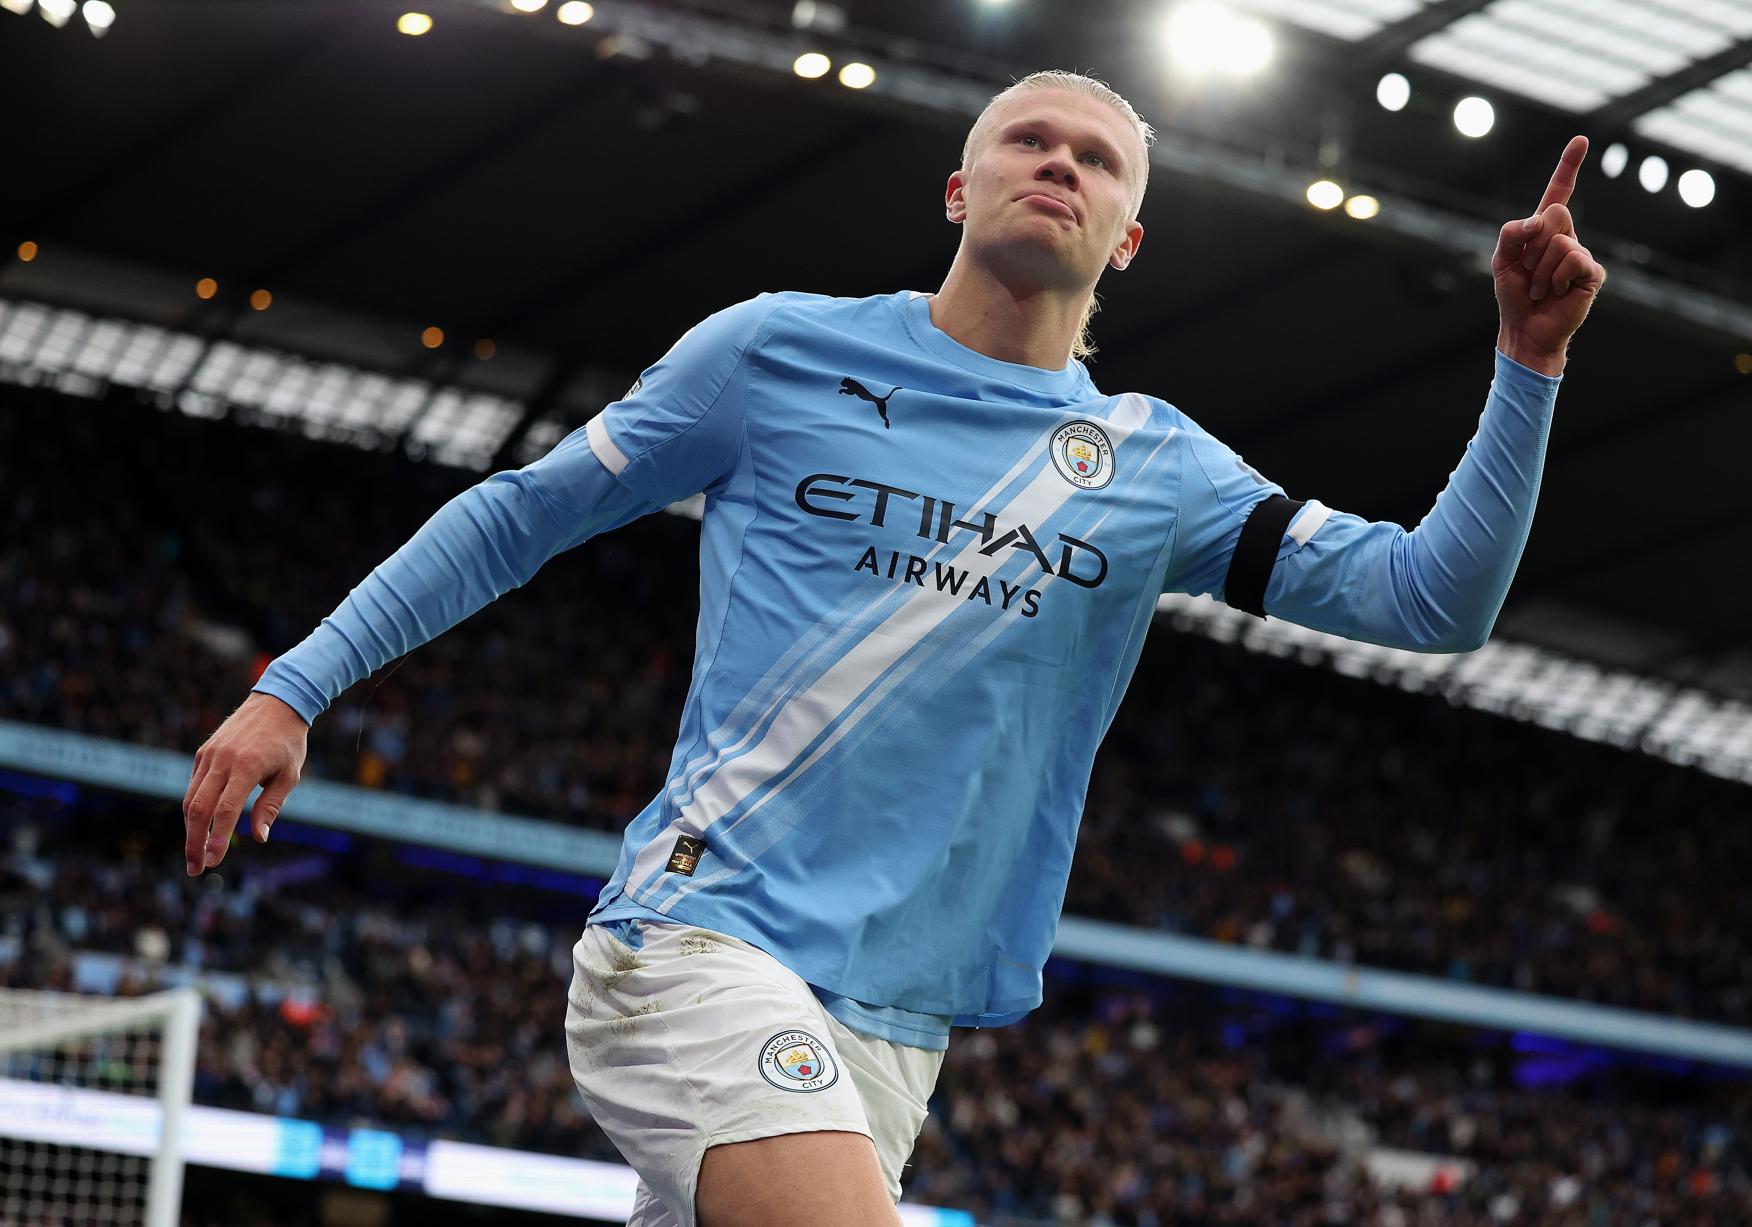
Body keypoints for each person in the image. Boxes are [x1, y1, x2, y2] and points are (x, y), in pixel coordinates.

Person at [181, 70, 1603, 1227]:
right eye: (1027, 140)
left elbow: (1432, 603)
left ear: (1128, 239)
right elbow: (524, 514)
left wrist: (1526, 365)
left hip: (898, 1021)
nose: (1060, 163)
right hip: (702, 936)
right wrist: (293, 686)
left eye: (1098, 160)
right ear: (958, 189)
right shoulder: (775, 353)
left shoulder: (1157, 469)